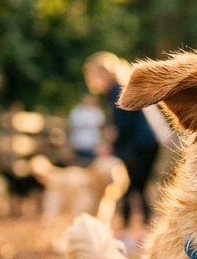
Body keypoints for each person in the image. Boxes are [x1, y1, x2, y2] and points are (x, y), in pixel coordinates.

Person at [83, 52, 160, 230]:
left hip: (139, 147)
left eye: (94, 76)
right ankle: (142, 230)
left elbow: (121, 127)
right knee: (138, 188)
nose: (93, 81)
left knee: (128, 188)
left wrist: (110, 146)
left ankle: (127, 231)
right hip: (147, 144)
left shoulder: (115, 91)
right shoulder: (120, 89)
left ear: (103, 74)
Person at [68, 93, 105, 167]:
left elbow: (101, 127)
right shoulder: (76, 112)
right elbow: (72, 126)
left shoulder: (97, 112)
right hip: (78, 141)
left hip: (93, 142)